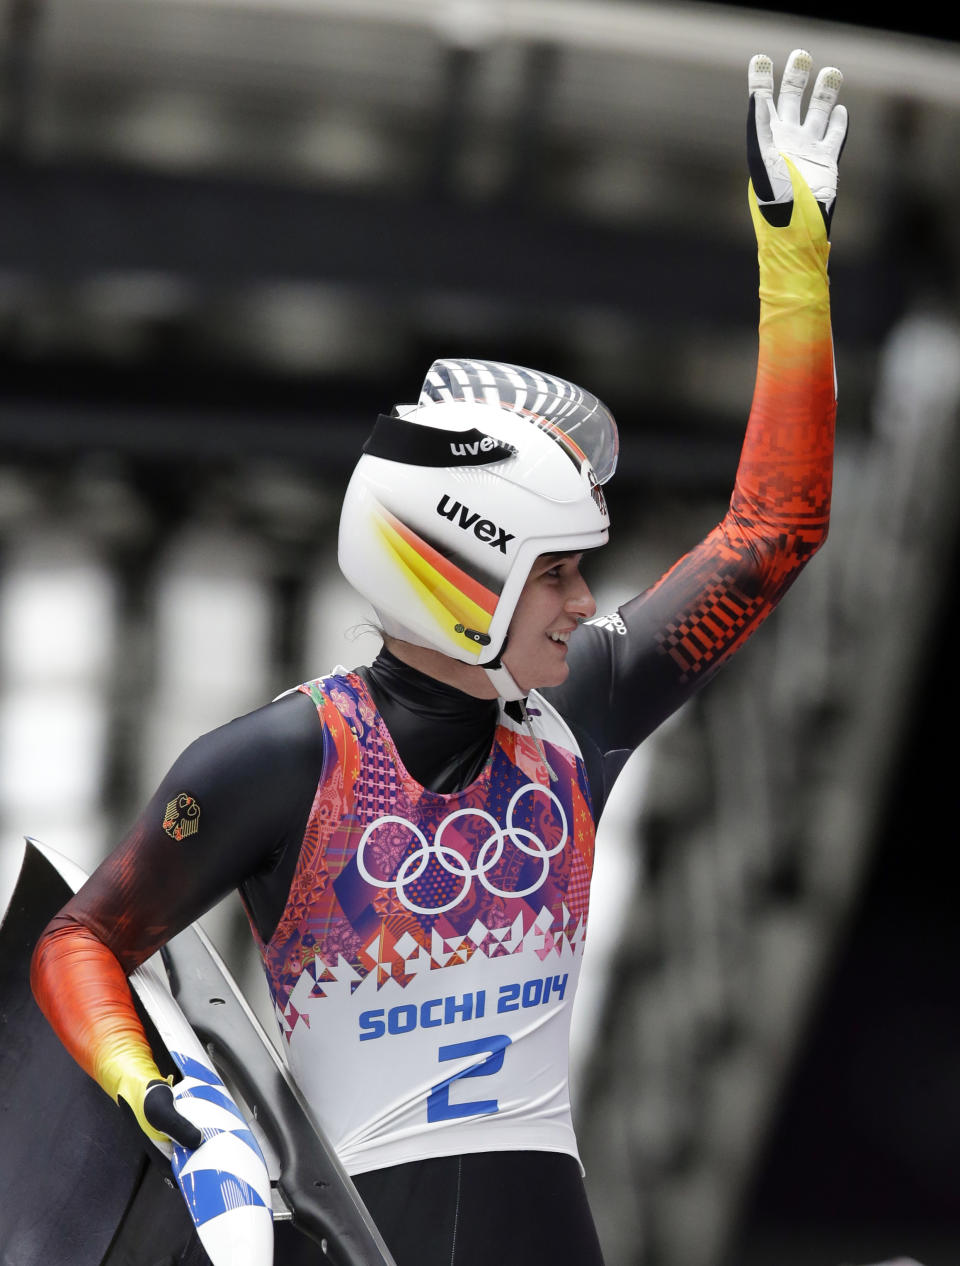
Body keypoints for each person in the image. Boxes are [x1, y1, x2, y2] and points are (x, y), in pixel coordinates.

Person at [30, 48, 847, 1266]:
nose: (585, 603)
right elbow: (77, 943)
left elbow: (776, 532)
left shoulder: (586, 708)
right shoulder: (285, 757)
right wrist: (173, 1105)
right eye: (557, 572)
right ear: (462, 580)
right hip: (355, 1233)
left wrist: (797, 264)